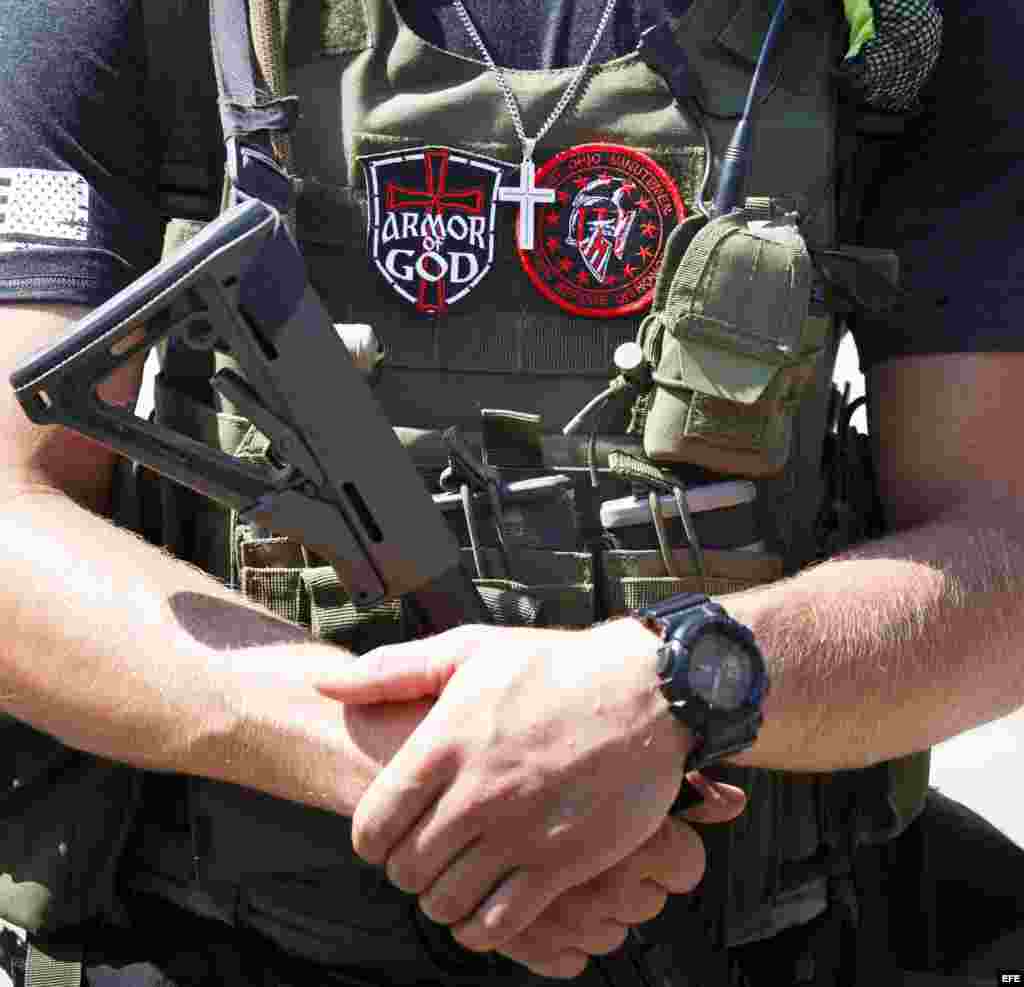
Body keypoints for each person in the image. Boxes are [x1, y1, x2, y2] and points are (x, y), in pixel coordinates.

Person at [0, 1, 1022, 986]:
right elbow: (12, 521)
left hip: (743, 946)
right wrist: (425, 775)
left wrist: (671, 694)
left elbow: (1001, 547)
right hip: (212, 942)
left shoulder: (906, 26)